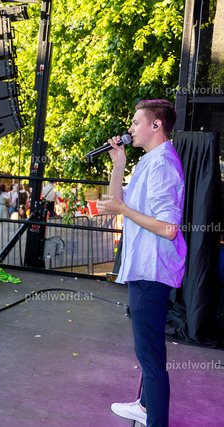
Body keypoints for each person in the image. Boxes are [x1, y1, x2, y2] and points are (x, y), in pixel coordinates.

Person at [97, 99, 186, 427]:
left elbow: (168, 228)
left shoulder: (162, 165)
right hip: (145, 267)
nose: (130, 128)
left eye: (136, 122)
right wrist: (118, 164)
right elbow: (116, 201)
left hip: (153, 270)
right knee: (149, 349)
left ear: (156, 125)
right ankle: (147, 407)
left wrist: (122, 210)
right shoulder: (150, 161)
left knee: (149, 355)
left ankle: (156, 420)